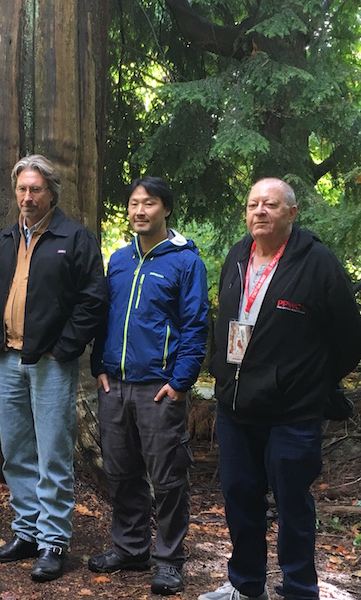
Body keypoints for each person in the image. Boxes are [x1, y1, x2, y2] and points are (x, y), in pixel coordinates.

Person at [200, 178, 361, 600]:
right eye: (253, 204)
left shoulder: (318, 263)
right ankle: (246, 586)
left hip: (291, 414)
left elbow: (350, 339)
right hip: (235, 407)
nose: (259, 211)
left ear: (291, 213)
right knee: (240, 499)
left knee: (293, 505)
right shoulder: (239, 255)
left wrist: (310, 383)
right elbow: (225, 324)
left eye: (270, 205)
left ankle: (299, 590)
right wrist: (221, 370)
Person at [0, 154, 108, 582]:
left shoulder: (74, 237)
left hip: (50, 362)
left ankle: (54, 540)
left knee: (53, 451)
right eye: (22, 189)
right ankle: (27, 532)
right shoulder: (5, 238)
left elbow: (93, 299)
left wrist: (65, 347)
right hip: (7, 360)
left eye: (36, 189)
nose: (28, 197)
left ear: (51, 191)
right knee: (17, 451)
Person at [89, 177, 209, 595]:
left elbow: (196, 325)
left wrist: (180, 382)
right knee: (121, 472)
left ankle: (169, 560)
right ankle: (130, 548)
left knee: (169, 477)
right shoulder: (119, 260)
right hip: (115, 385)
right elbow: (105, 317)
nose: (140, 210)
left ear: (166, 210)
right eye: (135, 204)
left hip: (159, 388)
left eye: (150, 203)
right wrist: (98, 365)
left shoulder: (185, 262)